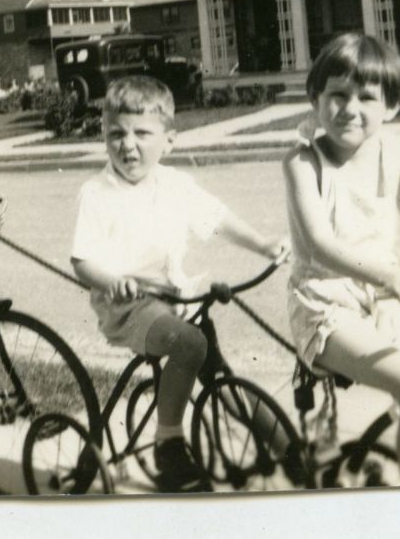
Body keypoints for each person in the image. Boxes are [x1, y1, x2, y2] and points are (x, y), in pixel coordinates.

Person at [71, 76, 282, 493]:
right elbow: (82, 260)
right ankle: (168, 441)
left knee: (219, 376)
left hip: (177, 299)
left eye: (142, 134)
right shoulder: (96, 192)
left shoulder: (176, 184)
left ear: (169, 141)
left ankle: (289, 447)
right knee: (190, 345)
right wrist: (113, 280)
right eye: (116, 134)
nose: (127, 145)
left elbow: (218, 218)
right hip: (128, 307)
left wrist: (262, 243)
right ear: (103, 137)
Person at [283, 33, 400, 486]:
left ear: (391, 106)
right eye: (337, 95)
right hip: (325, 307)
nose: (350, 108)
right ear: (316, 99)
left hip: (380, 297)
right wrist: (394, 272)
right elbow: (319, 244)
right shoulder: (303, 162)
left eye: (366, 97)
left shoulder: (392, 149)